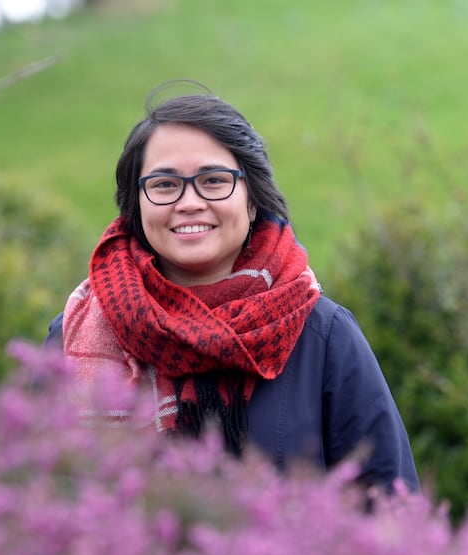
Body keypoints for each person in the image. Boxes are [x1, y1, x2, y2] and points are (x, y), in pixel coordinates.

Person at [44, 84, 419, 493]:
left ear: (252, 200)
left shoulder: (322, 337)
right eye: (165, 184)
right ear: (136, 204)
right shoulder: (73, 335)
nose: (189, 202)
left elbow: (389, 507)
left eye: (214, 180)